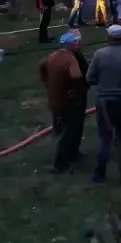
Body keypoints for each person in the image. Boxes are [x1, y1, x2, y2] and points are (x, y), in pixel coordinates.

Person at [85, 24, 121, 184]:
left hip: (104, 101)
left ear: (109, 37)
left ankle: (100, 173)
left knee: (104, 137)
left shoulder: (99, 54)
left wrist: (102, 81)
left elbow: (89, 78)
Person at [39, 29, 88, 173]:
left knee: (72, 127)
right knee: (69, 130)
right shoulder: (69, 59)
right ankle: (60, 163)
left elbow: (41, 66)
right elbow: (77, 78)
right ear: (70, 44)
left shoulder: (53, 56)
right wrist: (77, 92)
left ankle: (73, 153)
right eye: (77, 41)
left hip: (57, 98)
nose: (80, 43)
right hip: (69, 100)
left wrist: (47, 83)